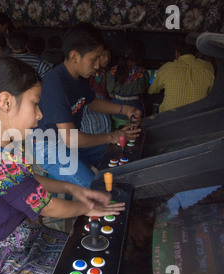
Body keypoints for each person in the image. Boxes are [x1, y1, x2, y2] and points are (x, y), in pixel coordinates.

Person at [0, 55, 125, 274]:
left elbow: (29, 183)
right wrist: (87, 208)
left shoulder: (6, 146)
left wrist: (71, 188)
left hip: (13, 237)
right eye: (35, 103)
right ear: (6, 102)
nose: (41, 114)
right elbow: (47, 205)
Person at [33, 24, 141, 188]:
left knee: (118, 149)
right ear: (75, 56)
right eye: (94, 59)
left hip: (69, 141)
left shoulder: (79, 78)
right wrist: (112, 135)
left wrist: (125, 109)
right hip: (48, 147)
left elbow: (93, 102)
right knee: (94, 188)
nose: (97, 65)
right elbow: (70, 138)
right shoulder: (56, 83)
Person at [148, 35, 215, 113]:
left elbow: (151, 91)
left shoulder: (166, 68)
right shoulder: (208, 67)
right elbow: (211, 93)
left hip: (168, 119)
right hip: (198, 118)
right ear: (198, 52)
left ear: (177, 53)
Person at [106, 38, 149, 122]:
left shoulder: (113, 71)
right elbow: (144, 90)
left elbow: (110, 92)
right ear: (140, 57)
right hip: (135, 111)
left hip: (115, 110)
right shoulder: (142, 72)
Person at [81, 42, 112, 134]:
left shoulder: (110, 72)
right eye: (103, 56)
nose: (106, 59)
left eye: (108, 56)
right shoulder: (88, 73)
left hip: (105, 104)